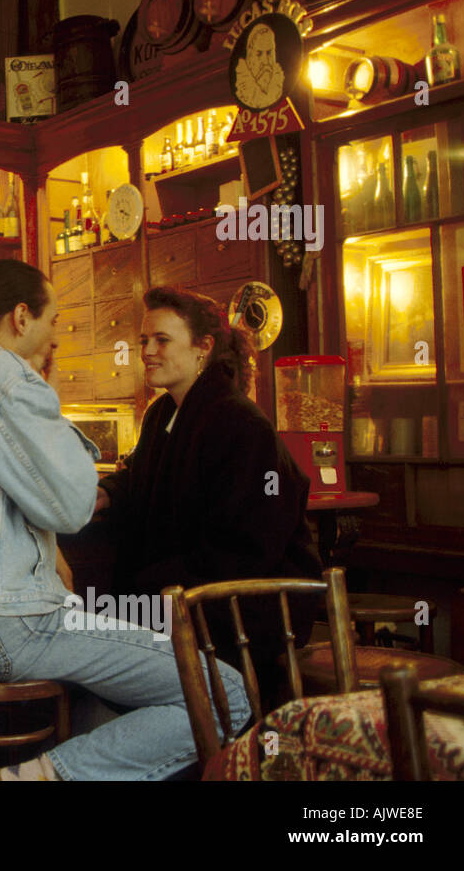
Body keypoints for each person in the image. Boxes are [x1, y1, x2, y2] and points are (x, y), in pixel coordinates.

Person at [0, 259, 248, 781]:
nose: (56, 338)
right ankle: (32, 778)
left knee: (106, 687)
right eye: (54, 322)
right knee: (224, 692)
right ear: (21, 316)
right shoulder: (5, 377)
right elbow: (74, 505)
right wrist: (41, 390)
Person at [97, 286, 321, 706]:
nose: (146, 351)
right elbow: (140, 477)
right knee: (102, 628)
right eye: (144, 340)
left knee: (106, 631)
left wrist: (148, 590)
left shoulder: (239, 422)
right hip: (185, 595)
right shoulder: (163, 412)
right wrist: (105, 494)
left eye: (161, 340)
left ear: (204, 348)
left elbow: (246, 549)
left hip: (243, 610)